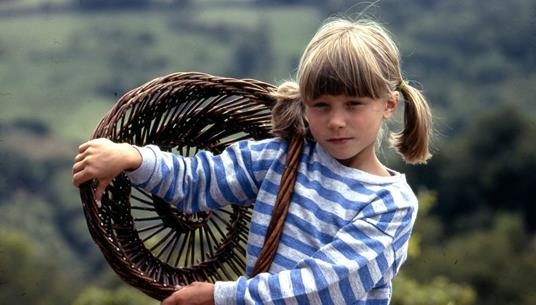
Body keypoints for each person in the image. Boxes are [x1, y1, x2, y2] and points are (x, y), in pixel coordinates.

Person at [72, 17, 432, 305]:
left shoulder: (390, 204)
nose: (336, 121)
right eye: (321, 105)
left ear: (388, 106)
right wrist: (133, 158)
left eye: (353, 104)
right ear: (305, 105)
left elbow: (323, 288)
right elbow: (200, 180)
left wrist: (222, 296)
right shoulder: (284, 158)